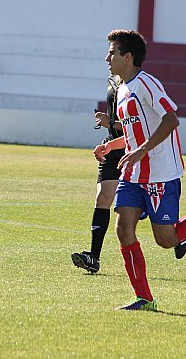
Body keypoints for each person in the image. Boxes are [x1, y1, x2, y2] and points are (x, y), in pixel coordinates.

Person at [93, 29, 186, 311]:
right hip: (133, 174)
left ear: (127, 57)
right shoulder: (121, 90)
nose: (107, 58)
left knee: (166, 240)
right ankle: (144, 298)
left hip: (161, 173)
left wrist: (142, 150)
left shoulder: (147, 84)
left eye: (112, 53)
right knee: (122, 227)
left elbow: (171, 120)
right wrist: (111, 146)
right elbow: (135, 134)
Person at [71, 76, 125, 273]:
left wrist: (110, 122)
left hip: (136, 149)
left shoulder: (137, 85)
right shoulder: (113, 81)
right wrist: (110, 126)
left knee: (141, 209)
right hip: (113, 146)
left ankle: (176, 232)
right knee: (103, 197)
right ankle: (93, 257)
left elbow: (141, 127)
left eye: (112, 53)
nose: (108, 59)